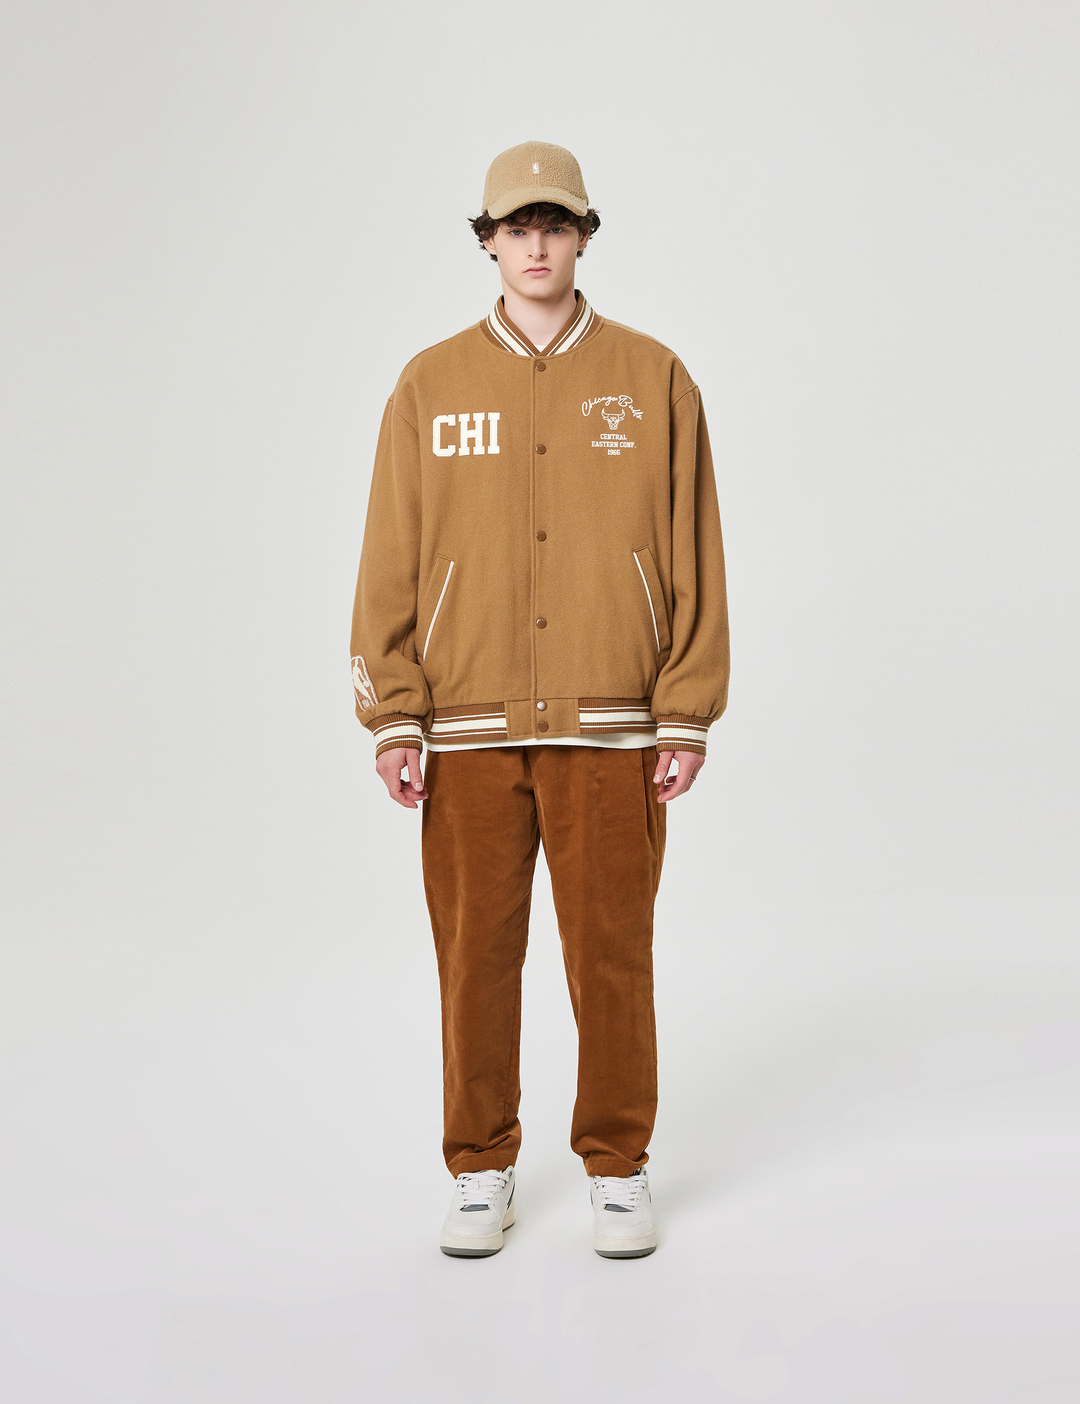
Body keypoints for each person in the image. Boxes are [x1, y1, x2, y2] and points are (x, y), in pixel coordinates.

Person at [350, 141, 729, 1259]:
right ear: (487, 242)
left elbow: (696, 549)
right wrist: (394, 710)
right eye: (516, 227)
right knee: (474, 956)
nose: (536, 245)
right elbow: (389, 556)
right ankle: (482, 1166)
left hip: (612, 726)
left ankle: (618, 1165)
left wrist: (686, 706)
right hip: (465, 727)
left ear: (583, 236)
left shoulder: (655, 377)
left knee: (611, 955)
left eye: (554, 225)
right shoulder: (428, 386)